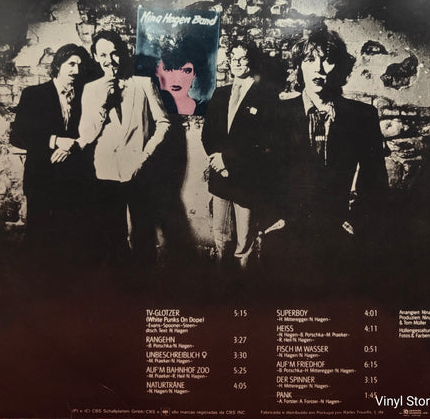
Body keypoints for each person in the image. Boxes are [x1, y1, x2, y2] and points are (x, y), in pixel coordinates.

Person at [276, 23, 388, 279]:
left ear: (339, 66)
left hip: (340, 237)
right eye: (310, 60)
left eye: (327, 60)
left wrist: (357, 221)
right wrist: (274, 218)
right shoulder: (278, 114)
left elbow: (376, 180)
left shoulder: (362, 115)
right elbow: (266, 171)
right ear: (299, 67)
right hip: (289, 235)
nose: (318, 68)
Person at [77, 30, 170, 266]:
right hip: (106, 170)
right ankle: (120, 283)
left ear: (123, 53)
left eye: (114, 53)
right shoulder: (91, 89)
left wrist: (145, 156)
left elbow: (163, 123)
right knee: (113, 235)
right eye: (103, 55)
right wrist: (102, 103)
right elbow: (87, 135)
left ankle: (143, 282)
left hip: (139, 169)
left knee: (143, 233)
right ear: (95, 57)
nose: (109, 60)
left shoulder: (143, 83)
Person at [10, 43, 89, 258]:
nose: (76, 70)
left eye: (80, 66)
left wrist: (71, 146)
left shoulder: (84, 96)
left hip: (72, 180)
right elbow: (18, 135)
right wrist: (54, 141)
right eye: (71, 64)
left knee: (68, 242)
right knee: (39, 240)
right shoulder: (34, 94)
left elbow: (88, 133)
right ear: (58, 65)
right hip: (41, 178)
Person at [202, 38, 274, 268]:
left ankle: (244, 284)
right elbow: (207, 134)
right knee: (220, 236)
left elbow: (263, 142)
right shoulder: (221, 93)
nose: (237, 63)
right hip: (220, 176)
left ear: (251, 61)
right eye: (234, 58)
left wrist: (228, 161)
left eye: (243, 58)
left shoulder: (264, 96)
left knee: (244, 241)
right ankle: (220, 281)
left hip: (246, 177)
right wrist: (217, 161)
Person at [155, 35, 209, 115]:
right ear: (157, 71)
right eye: (168, 69)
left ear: (194, 74)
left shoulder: (205, 109)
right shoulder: (146, 108)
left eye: (186, 71)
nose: (177, 79)